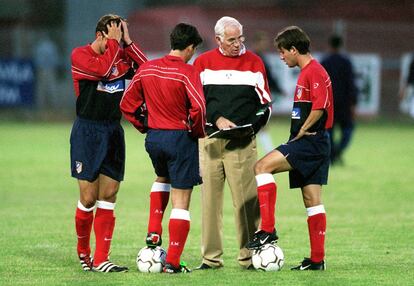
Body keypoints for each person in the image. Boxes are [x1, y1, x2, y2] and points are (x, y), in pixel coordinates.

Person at [246, 26, 333, 271]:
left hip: (309, 142)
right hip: (317, 142)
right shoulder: (309, 71)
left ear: (294, 49)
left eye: (283, 52)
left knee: (261, 167)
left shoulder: (313, 71)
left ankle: (267, 230)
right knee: (312, 200)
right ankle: (317, 260)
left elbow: (320, 106)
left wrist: (304, 129)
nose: (282, 56)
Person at [120, 23, 205, 274]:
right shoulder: (188, 72)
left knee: (162, 176)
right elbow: (199, 108)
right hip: (180, 138)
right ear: (189, 47)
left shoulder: (147, 68)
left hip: (154, 139)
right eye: (194, 50)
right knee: (182, 200)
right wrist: (197, 132)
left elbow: (127, 104)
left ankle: (154, 232)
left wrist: (144, 125)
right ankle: (173, 263)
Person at [70, 14, 148, 273]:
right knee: (89, 197)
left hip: (112, 131)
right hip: (87, 131)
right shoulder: (80, 56)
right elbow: (102, 69)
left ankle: (102, 259)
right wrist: (116, 45)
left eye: (117, 35)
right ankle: (84, 251)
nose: (114, 41)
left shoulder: (121, 55)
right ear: (99, 35)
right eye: (111, 36)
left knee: (110, 194)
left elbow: (146, 72)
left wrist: (128, 42)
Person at [193, 16, 272, 270]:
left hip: (242, 143)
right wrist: (216, 119)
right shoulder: (202, 63)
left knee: (246, 203)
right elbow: (196, 103)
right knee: (210, 204)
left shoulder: (254, 63)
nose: (238, 44)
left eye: (240, 38)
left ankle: (249, 258)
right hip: (211, 142)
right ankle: (210, 259)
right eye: (231, 40)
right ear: (218, 40)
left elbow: (265, 106)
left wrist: (249, 129)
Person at [321, 35, 357, 164]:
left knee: (329, 131)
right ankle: (338, 151)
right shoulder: (347, 62)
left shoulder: (324, 62)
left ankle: (333, 153)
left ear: (329, 45)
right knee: (348, 130)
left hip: (329, 103)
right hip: (345, 103)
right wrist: (353, 103)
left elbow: (321, 84)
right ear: (341, 45)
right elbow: (351, 84)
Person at [253, 31, 284, 153]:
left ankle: (268, 151)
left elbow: (269, 77)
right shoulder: (256, 58)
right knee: (261, 124)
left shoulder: (260, 57)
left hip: (260, 98)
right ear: (257, 42)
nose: (265, 45)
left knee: (261, 123)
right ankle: (269, 152)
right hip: (256, 98)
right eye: (263, 42)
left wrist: (278, 89)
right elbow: (267, 77)